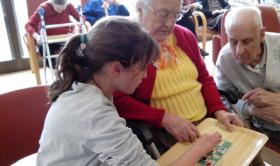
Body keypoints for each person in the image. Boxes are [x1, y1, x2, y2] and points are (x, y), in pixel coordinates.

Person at [36, 16, 222, 166]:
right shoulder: (94, 112)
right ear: (116, 69)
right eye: (143, 68)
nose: (145, 75)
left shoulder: (89, 84)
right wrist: (200, 148)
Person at [114, 0, 243, 153]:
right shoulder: (124, 44)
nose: (169, 23)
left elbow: (204, 78)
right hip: (166, 132)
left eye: (176, 15)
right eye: (163, 14)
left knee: (245, 148)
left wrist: (219, 110)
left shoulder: (185, 36)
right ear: (140, 10)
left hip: (208, 120)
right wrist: (164, 118)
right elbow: (117, 99)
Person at [215, 6, 280, 146]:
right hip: (254, 126)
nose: (239, 51)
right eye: (233, 41)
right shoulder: (225, 59)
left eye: (246, 41)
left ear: (261, 34)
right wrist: (250, 109)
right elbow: (222, 98)